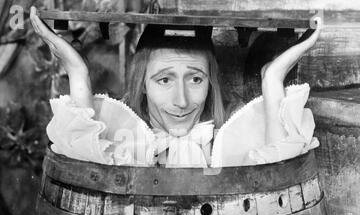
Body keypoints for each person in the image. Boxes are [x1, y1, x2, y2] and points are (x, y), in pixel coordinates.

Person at [29, 7, 322, 168]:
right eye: (164, 80)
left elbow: (280, 179)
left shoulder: (230, 142)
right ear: (142, 83)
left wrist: (272, 80)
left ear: (211, 81)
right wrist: (77, 72)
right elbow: (81, 167)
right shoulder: (122, 141)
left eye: (195, 79)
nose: (181, 101)